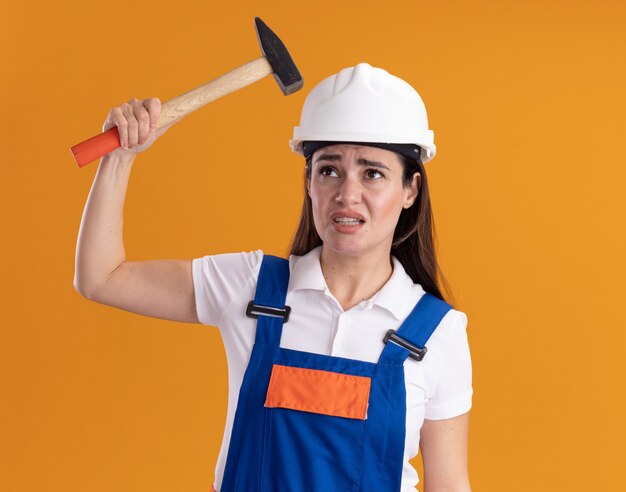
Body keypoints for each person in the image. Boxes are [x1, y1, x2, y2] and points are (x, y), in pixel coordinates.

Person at [74, 62, 473, 492]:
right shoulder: (250, 287)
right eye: (329, 170)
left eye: (372, 173)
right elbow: (102, 277)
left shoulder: (436, 333)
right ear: (308, 181)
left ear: (410, 190)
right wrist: (119, 160)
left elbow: (449, 485)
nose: (347, 194)